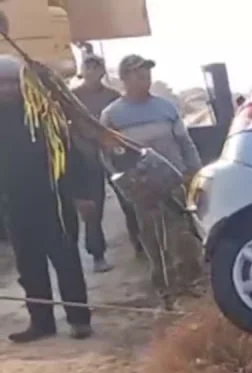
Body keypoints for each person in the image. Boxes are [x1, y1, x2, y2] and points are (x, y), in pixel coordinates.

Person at [0, 55, 94, 341]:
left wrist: (82, 195)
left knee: (67, 262)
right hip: (16, 207)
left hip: (56, 203)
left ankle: (79, 320)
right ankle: (41, 323)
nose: (5, 91)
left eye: (10, 84)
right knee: (29, 268)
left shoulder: (45, 116)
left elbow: (72, 157)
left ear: (22, 85)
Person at [100, 54, 203, 307]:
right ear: (124, 79)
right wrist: (124, 184)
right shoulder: (112, 115)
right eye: (137, 73)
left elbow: (185, 143)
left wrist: (194, 172)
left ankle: (190, 285)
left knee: (182, 236)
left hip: (174, 183)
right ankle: (166, 291)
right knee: (155, 241)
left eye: (146, 73)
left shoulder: (166, 108)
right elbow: (107, 155)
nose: (144, 78)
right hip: (144, 189)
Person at [71, 54, 142, 271]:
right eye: (89, 66)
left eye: (97, 66)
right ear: (83, 71)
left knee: (130, 201)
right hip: (86, 159)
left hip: (113, 156)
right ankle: (97, 256)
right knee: (93, 210)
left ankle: (141, 245)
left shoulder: (112, 97)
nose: (93, 71)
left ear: (103, 71)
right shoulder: (71, 97)